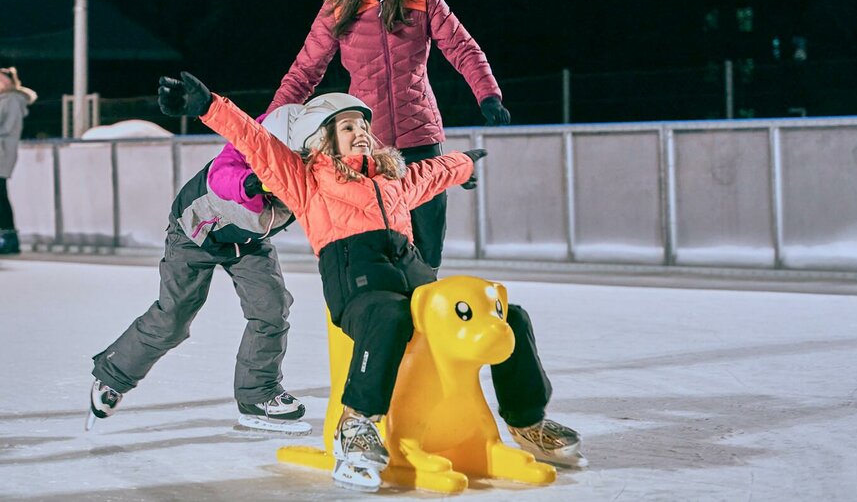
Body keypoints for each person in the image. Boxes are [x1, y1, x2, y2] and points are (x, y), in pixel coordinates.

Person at [158, 72, 585, 492]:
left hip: (412, 273)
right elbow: (256, 142)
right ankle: (358, 425)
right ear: (322, 137)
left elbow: (428, 175)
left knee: (504, 314)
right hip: (356, 279)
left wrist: (461, 165)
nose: (361, 132)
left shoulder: (390, 176)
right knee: (388, 316)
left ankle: (527, 421)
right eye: (347, 126)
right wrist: (208, 106)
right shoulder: (306, 180)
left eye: (363, 125)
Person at [268, 0, 511, 273]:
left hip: (420, 135)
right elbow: (304, 71)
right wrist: (271, 122)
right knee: (381, 239)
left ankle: (422, 303)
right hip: (367, 146)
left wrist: (488, 95)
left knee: (428, 248)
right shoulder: (339, 7)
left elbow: (463, 48)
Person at [87, 116, 309, 435]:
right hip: (194, 234)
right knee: (173, 318)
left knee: (271, 309)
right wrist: (253, 184)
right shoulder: (248, 152)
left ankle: (258, 394)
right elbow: (224, 177)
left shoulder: (313, 169)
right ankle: (112, 375)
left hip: (247, 242)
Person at [0, 67, 37, 255]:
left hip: (2, 152)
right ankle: (7, 236)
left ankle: (9, 238)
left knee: (0, 196)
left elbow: (7, 126)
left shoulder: (12, 100)